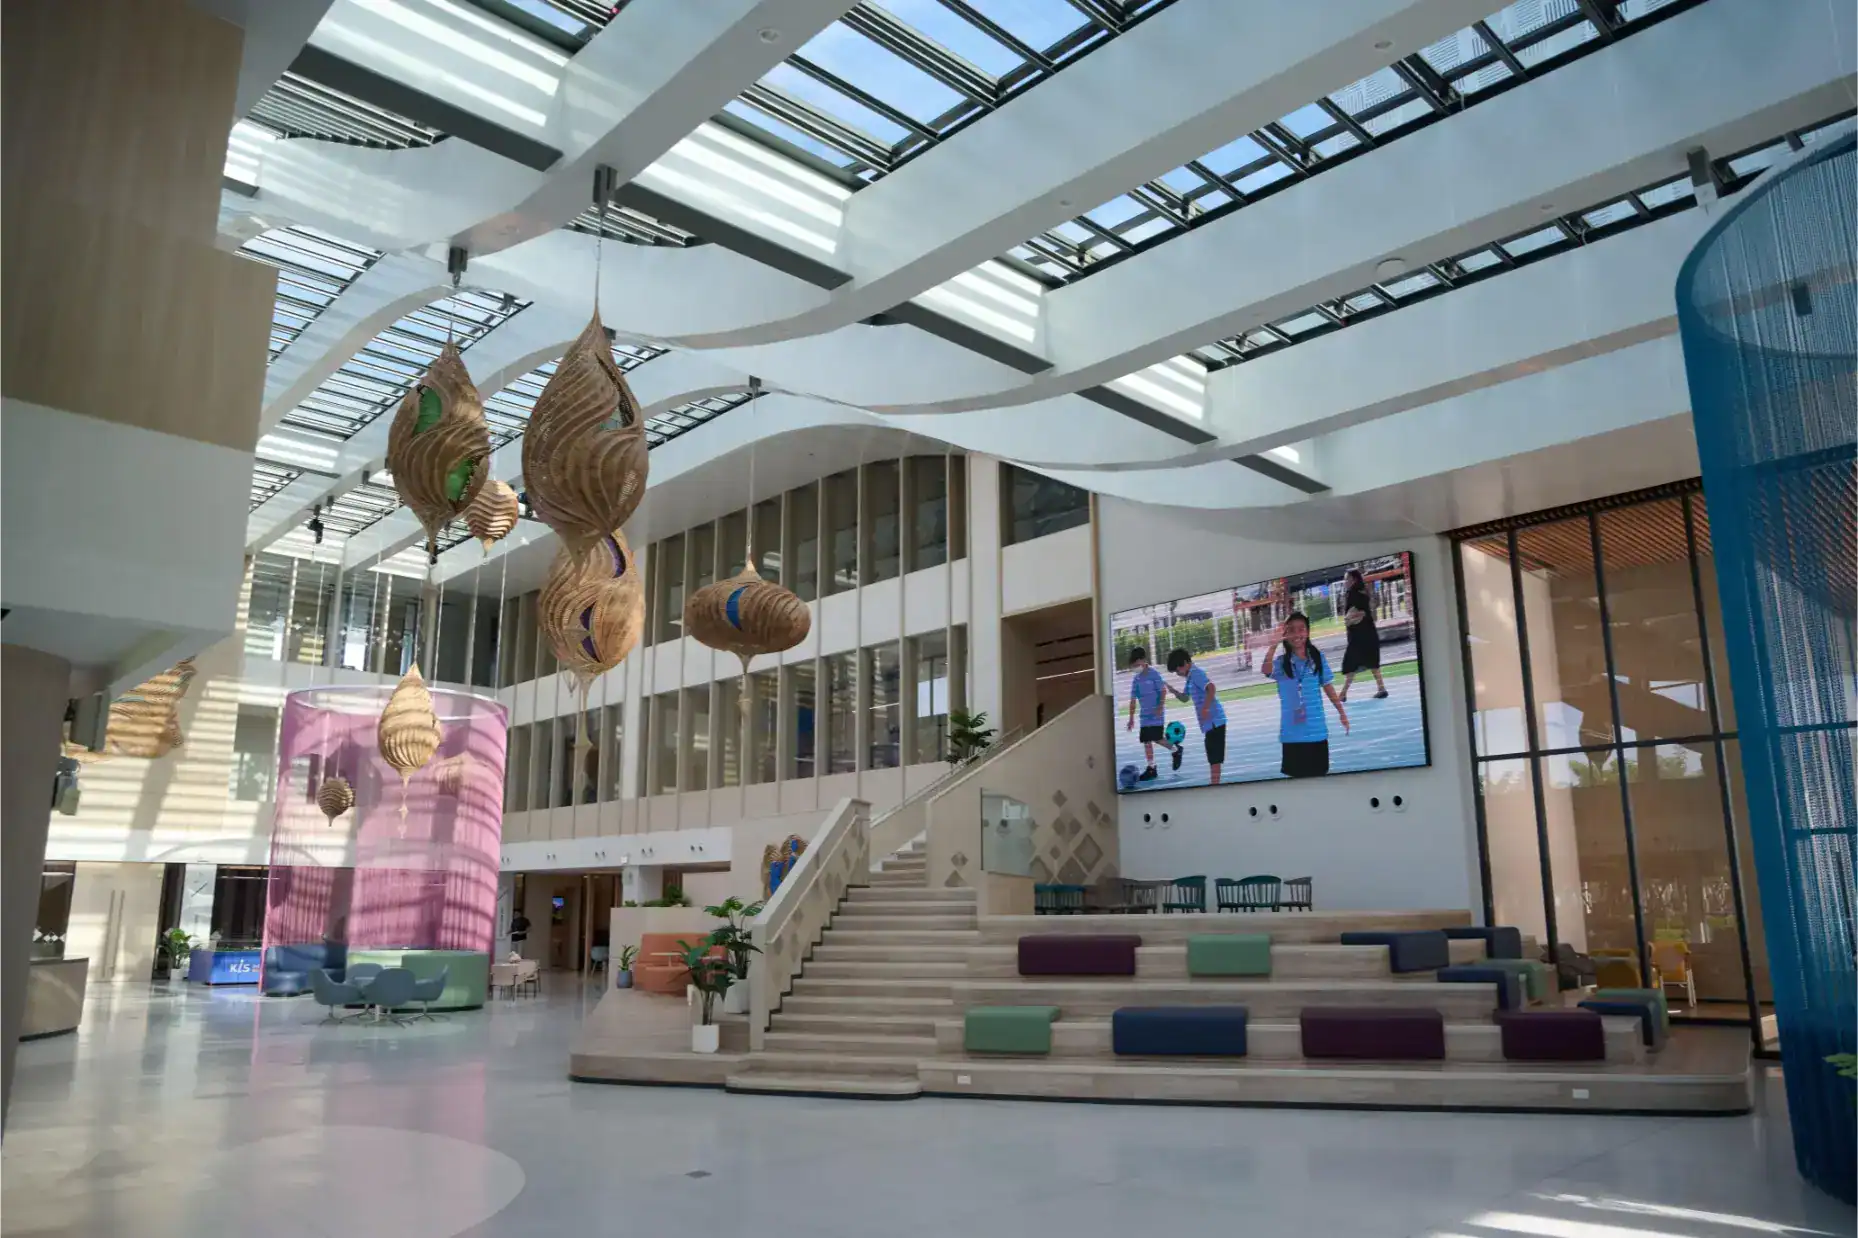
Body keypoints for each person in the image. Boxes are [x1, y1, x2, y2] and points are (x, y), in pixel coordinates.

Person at [1259, 612, 1349, 778]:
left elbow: (1328, 686)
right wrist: (1273, 645)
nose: (1297, 634)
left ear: (1307, 632)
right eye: (1291, 630)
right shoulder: (1281, 662)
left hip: (1317, 732)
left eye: (1301, 629)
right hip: (1292, 735)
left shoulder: (1317, 657)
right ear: (1285, 635)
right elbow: (1266, 670)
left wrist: (1342, 713)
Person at [1165, 648, 1227, 786]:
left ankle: (1215, 785)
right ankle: (1214, 783)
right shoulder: (1190, 678)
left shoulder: (1197, 674)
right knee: (1212, 756)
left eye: (1178, 669)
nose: (1178, 673)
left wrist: (1205, 707)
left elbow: (1211, 688)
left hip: (1215, 721)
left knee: (1215, 757)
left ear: (1186, 663)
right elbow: (1185, 698)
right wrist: (1173, 690)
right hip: (1208, 723)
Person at [1123, 646, 1180, 781]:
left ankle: (1175, 750)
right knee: (1146, 741)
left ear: (1143, 660)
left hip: (1156, 714)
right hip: (1144, 716)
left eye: (1137, 664)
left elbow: (1163, 691)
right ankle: (1151, 768)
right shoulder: (1136, 679)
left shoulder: (1154, 674)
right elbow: (1133, 700)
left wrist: (1160, 707)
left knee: (1157, 738)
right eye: (1134, 665)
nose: (1136, 667)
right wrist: (1131, 718)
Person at [1339, 567, 1388, 702]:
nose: (1345, 582)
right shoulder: (1363, 592)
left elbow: (1359, 613)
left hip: (1359, 635)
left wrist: (1350, 619)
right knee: (1372, 662)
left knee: (1350, 664)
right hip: (1369, 633)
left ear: (1353, 580)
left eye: (1346, 579)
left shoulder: (1353, 594)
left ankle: (1342, 694)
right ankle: (1381, 688)